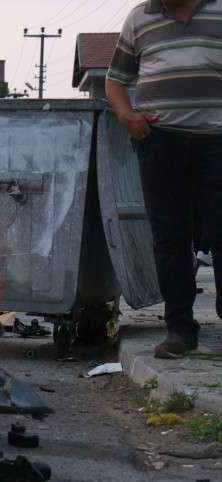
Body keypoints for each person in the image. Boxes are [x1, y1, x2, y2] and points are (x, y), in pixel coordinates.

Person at [106, 0, 222, 359]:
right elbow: (115, 80)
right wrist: (128, 117)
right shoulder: (140, 18)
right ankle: (180, 330)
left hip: (216, 141)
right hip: (161, 141)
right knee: (169, 238)